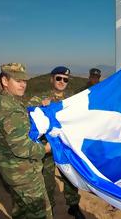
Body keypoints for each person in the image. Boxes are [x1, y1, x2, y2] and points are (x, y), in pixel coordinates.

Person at [0, 63, 53, 218]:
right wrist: (47, 148)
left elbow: (22, 114)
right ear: (5, 81)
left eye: (24, 80)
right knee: (42, 213)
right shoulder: (10, 109)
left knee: (21, 212)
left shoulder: (4, 100)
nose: (23, 84)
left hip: (13, 172)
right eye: (18, 80)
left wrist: (39, 103)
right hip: (24, 175)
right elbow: (22, 148)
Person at [31, 66, 85, 219]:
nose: (62, 81)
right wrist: (41, 107)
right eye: (59, 78)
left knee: (70, 177)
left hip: (65, 147)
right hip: (48, 148)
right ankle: (50, 210)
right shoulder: (39, 99)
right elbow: (29, 115)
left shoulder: (71, 101)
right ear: (52, 79)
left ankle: (73, 206)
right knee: (48, 181)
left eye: (65, 79)